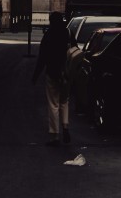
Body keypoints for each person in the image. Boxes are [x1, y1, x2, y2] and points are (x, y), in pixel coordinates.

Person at [32, 11, 71, 146]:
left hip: (52, 72)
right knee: (64, 101)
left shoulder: (48, 36)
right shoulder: (67, 33)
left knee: (53, 104)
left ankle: (55, 135)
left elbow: (42, 58)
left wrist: (35, 76)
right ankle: (65, 126)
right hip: (65, 72)